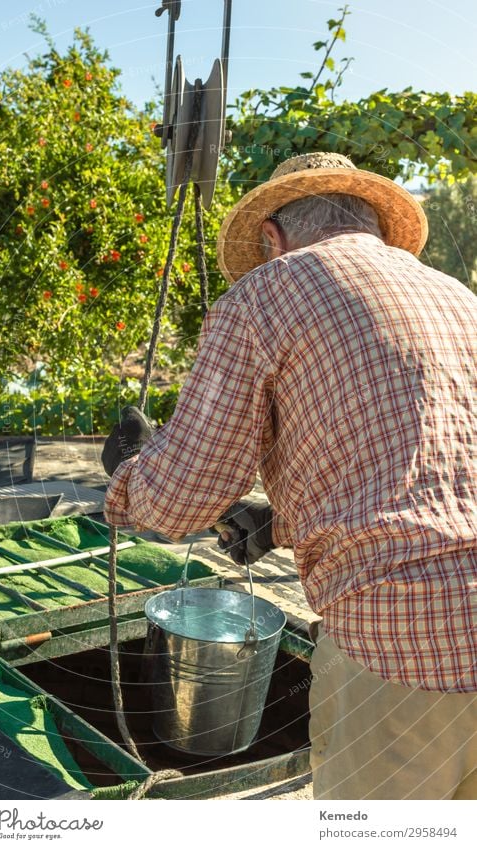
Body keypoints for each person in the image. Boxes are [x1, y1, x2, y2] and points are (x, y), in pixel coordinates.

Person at [103, 152, 476, 800]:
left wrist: (131, 473)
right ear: (373, 225)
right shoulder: (456, 298)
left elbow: (180, 500)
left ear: (273, 237)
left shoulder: (267, 293)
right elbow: (427, 463)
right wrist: (278, 522)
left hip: (401, 642)